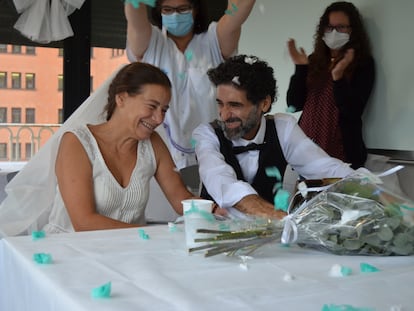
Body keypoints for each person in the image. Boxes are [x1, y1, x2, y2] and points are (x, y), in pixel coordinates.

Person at [0, 62, 196, 236]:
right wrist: (154, 235)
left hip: (129, 252)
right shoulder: (76, 142)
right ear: (121, 99)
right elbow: (84, 223)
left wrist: (215, 211)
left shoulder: (153, 143)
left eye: (164, 110)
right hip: (68, 249)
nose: (159, 119)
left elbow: (182, 199)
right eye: (152, 106)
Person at [193, 54, 357, 220]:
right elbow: (222, 183)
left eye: (235, 105)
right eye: (220, 103)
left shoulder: (282, 127)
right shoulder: (206, 134)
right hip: (209, 235)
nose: (224, 114)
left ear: (264, 103)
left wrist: (373, 189)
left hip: (267, 238)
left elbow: (326, 168)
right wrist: (282, 219)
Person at [124, 0, 256, 169]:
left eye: (183, 8)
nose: (175, 14)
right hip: (155, 153)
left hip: (210, 154)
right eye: (168, 9)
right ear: (160, 11)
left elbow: (236, 14)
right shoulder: (152, 42)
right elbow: (135, 17)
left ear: (195, 10)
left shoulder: (212, 41)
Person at [286, 1, 375, 169]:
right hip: (306, 150)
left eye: (341, 27)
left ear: (352, 30)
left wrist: (338, 77)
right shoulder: (314, 60)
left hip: (341, 153)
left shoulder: (363, 64)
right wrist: (300, 69)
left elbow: (353, 110)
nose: (334, 32)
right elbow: (293, 104)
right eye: (329, 27)